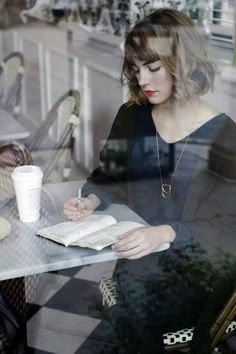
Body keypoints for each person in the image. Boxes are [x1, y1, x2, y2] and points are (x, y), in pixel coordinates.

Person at [64, 8, 236, 353]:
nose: (142, 80)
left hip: (200, 274)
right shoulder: (133, 116)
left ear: (182, 63)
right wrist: (92, 199)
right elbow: (109, 175)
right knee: (133, 303)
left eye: (153, 67)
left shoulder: (225, 137)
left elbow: (229, 228)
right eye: (136, 68)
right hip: (141, 264)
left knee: (134, 311)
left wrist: (166, 232)